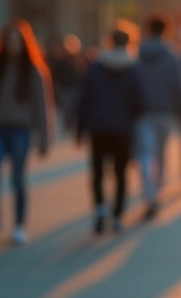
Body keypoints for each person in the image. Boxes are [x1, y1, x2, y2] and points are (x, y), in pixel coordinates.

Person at [0, 20, 54, 245]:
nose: (13, 45)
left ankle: (19, 226)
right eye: (9, 41)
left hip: (20, 130)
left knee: (18, 180)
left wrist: (44, 140)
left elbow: (42, 106)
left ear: (25, 44)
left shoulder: (33, 71)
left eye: (17, 42)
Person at [75, 22, 145, 234]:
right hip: (123, 130)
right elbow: (140, 102)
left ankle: (100, 209)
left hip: (98, 127)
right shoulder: (134, 68)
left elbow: (84, 99)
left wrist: (80, 128)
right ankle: (117, 215)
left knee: (97, 172)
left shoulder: (96, 67)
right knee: (120, 173)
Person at [135, 14, 181, 221]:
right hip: (166, 112)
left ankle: (149, 194)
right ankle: (158, 191)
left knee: (146, 155)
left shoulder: (137, 53)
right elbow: (180, 86)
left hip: (143, 112)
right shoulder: (174, 56)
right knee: (161, 153)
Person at [47, 35, 84, 138]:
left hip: (74, 87)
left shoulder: (78, 58)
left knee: (73, 107)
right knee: (67, 107)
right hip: (65, 88)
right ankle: (69, 125)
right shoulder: (60, 60)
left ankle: (72, 125)